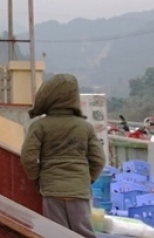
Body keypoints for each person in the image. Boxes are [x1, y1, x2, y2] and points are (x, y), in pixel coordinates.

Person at [20, 73, 105, 238]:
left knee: (55, 234)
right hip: (79, 191)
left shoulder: (39, 126)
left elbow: (28, 157)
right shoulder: (85, 127)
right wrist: (86, 179)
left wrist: (38, 180)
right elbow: (99, 160)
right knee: (84, 234)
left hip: (52, 190)